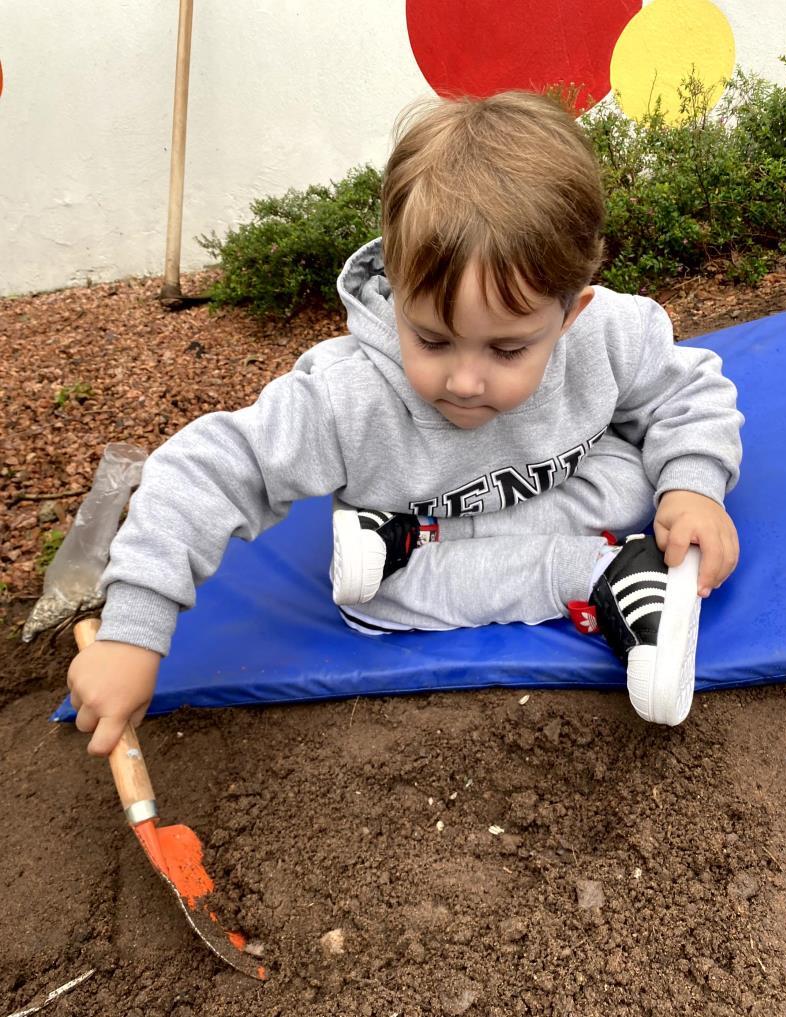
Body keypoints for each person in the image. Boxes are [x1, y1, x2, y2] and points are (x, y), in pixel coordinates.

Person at [68, 91, 742, 756]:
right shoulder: (348, 397)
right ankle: (600, 571)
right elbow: (205, 471)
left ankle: (422, 542)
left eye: (508, 350)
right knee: (375, 598)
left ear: (570, 314)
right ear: (396, 288)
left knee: (638, 484)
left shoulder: (607, 333)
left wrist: (694, 487)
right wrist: (132, 634)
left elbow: (689, 390)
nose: (465, 381)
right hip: (411, 545)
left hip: (526, 502)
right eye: (432, 340)